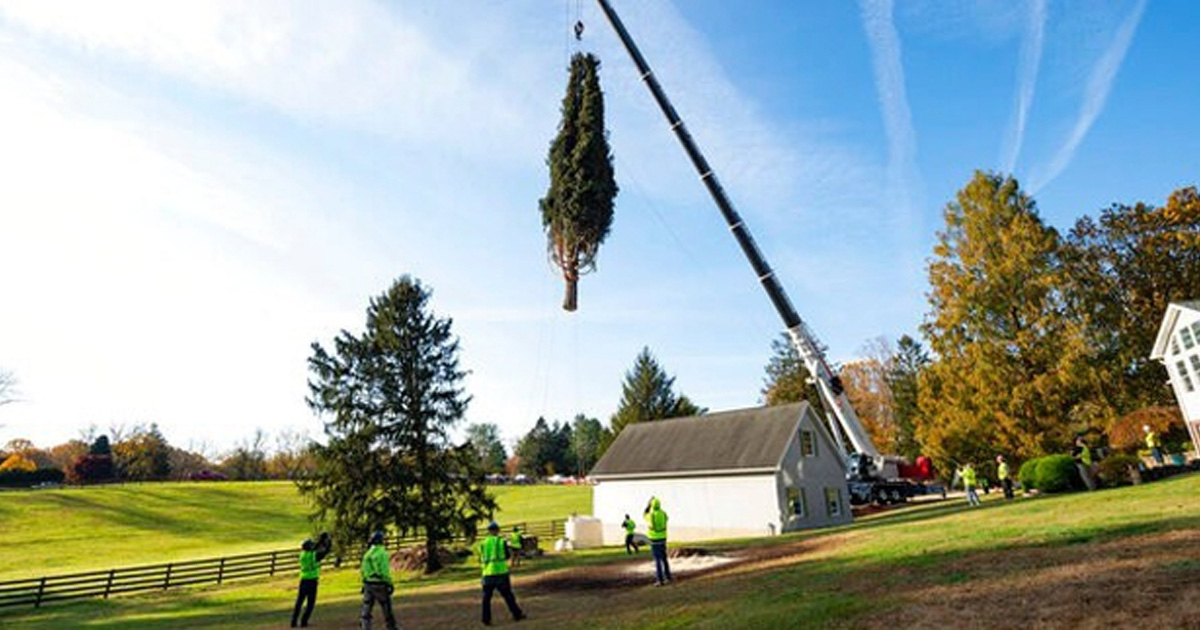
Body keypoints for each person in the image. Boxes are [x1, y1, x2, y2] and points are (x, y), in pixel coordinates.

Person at [479, 521, 525, 626]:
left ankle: (486, 619)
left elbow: (481, 557)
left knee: (486, 598)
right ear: (497, 530)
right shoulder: (501, 541)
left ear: (488, 531)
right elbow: (506, 556)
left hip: (487, 573)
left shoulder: (483, 543)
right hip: (500, 572)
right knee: (508, 596)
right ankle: (517, 614)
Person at [360, 530, 399, 630]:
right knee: (386, 608)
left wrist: (364, 583)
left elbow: (363, 570)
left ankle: (365, 627)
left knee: (367, 609)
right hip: (380, 584)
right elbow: (384, 571)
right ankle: (392, 628)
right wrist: (389, 583)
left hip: (368, 584)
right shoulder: (382, 553)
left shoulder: (367, 554)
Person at [290, 534, 330, 628]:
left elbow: (314, 547)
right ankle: (304, 621)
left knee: (299, 602)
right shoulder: (314, 555)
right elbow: (324, 552)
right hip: (312, 581)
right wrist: (327, 543)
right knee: (310, 603)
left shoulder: (302, 555)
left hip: (303, 580)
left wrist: (320, 540)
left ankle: (293, 621)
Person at [644, 497, 672, 586]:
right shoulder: (663, 513)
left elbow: (644, 515)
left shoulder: (651, 515)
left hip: (654, 539)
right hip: (663, 538)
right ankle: (668, 577)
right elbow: (667, 518)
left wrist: (648, 505)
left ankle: (660, 580)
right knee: (664, 559)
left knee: (657, 560)